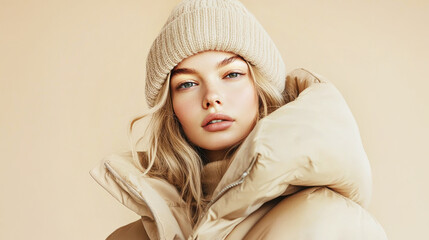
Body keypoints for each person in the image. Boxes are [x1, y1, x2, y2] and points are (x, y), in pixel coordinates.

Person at [90, 0, 388, 239]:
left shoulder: (329, 221)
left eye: (231, 74)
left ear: (260, 88)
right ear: (171, 108)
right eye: (187, 84)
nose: (211, 97)